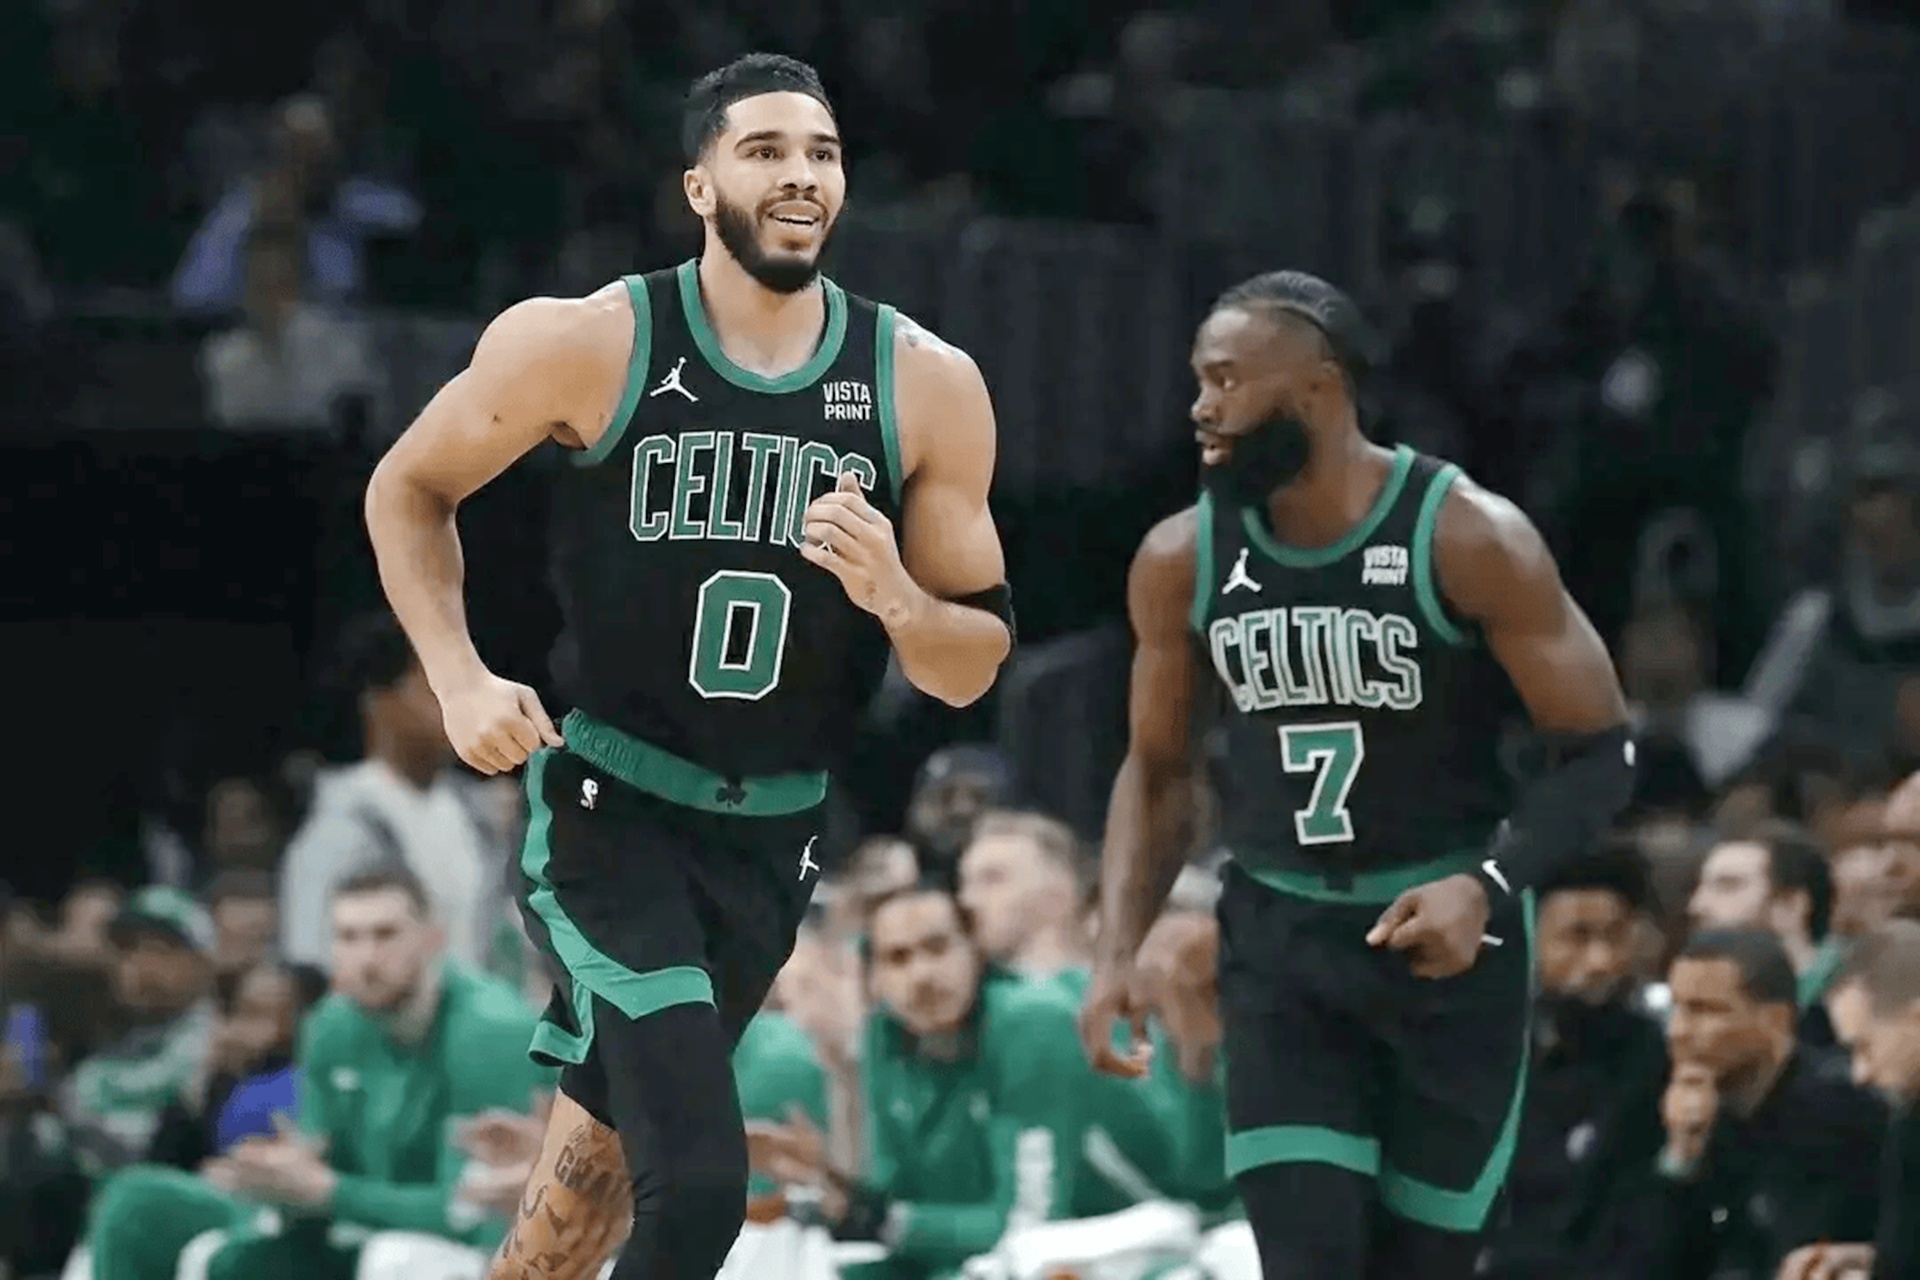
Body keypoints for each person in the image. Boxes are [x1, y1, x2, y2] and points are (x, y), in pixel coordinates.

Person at [362, 53, 1014, 1280]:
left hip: (775, 832)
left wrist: (896, 594)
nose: (800, 174)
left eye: (821, 153)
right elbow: (408, 485)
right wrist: (456, 675)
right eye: (764, 150)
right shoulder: (590, 340)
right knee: (704, 1188)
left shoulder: (925, 383)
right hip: (611, 808)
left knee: (585, 1201)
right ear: (699, 186)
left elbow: (970, 665)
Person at [1077, 270, 1637, 1279]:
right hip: (1283, 943)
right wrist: (1116, 947)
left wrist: (1488, 883)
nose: (1200, 407)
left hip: (1449, 949)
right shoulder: (1180, 558)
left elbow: (1601, 751)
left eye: (1225, 380)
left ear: (1318, 388)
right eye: (1199, 380)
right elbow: (1159, 773)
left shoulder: (1469, 535)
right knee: (1311, 1255)